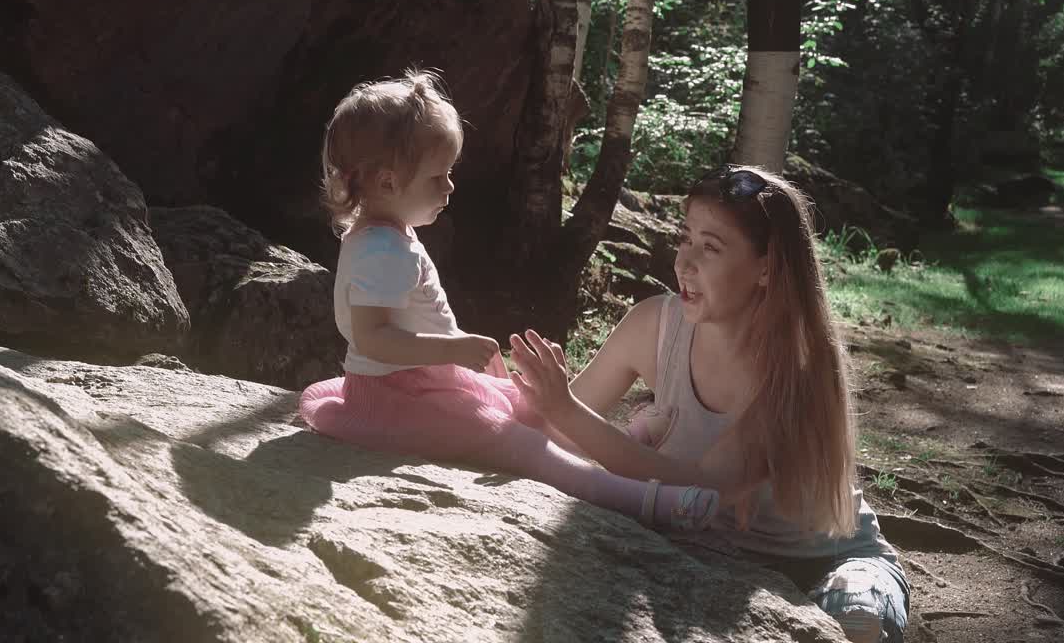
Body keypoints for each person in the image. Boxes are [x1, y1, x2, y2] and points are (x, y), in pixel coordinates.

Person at [299, 69, 728, 532]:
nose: (450, 188)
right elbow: (373, 338)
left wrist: (460, 355)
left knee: (526, 407)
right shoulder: (381, 250)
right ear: (386, 183)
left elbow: (408, 322)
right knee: (521, 444)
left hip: (424, 383)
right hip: (397, 400)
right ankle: (648, 501)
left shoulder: (385, 234)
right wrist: (453, 350)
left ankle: (628, 446)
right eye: (438, 176)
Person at [507, 165, 910, 643]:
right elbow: (555, 427)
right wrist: (506, 399)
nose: (684, 263)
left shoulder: (797, 364)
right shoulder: (654, 326)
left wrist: (566, 410)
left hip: (829, 559)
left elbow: (704, 485)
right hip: (712, 550)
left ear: (767, 266)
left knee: (857, 625)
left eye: (711, 248)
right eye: (684, 239)